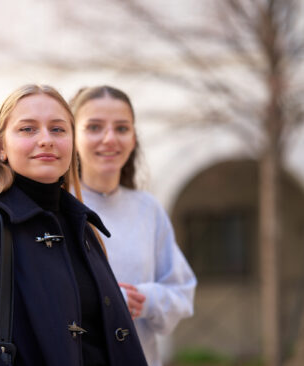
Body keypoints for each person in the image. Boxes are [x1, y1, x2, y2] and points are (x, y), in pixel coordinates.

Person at [0, 84, 148, 365]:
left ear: (72, 144)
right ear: (1, 148)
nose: (46, 139)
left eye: (58, 129)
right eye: (27, 129)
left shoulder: (84, 226)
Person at [70, 85, 197, 366]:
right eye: (94, 127)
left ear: (134, 137)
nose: (109, 138)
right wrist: (105, 299)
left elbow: (182, 292)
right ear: (72, 135)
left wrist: (146, 299)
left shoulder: (147, 210)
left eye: (122, 128)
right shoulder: (56, 208)